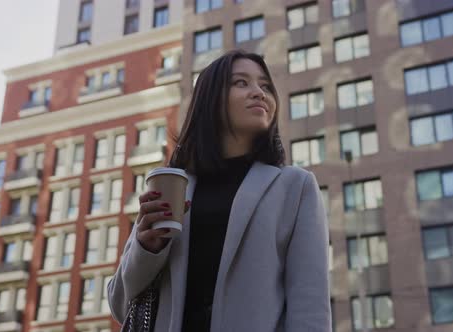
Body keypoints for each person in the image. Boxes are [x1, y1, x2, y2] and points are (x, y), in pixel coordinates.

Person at [108, 50, 331, 332]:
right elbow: (118, 304)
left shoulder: (295, 187)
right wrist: (147, 248)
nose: (258, 93)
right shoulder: (174, 188)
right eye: (241, 83)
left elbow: (310, 305)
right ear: (211, 98)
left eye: (265, 86)